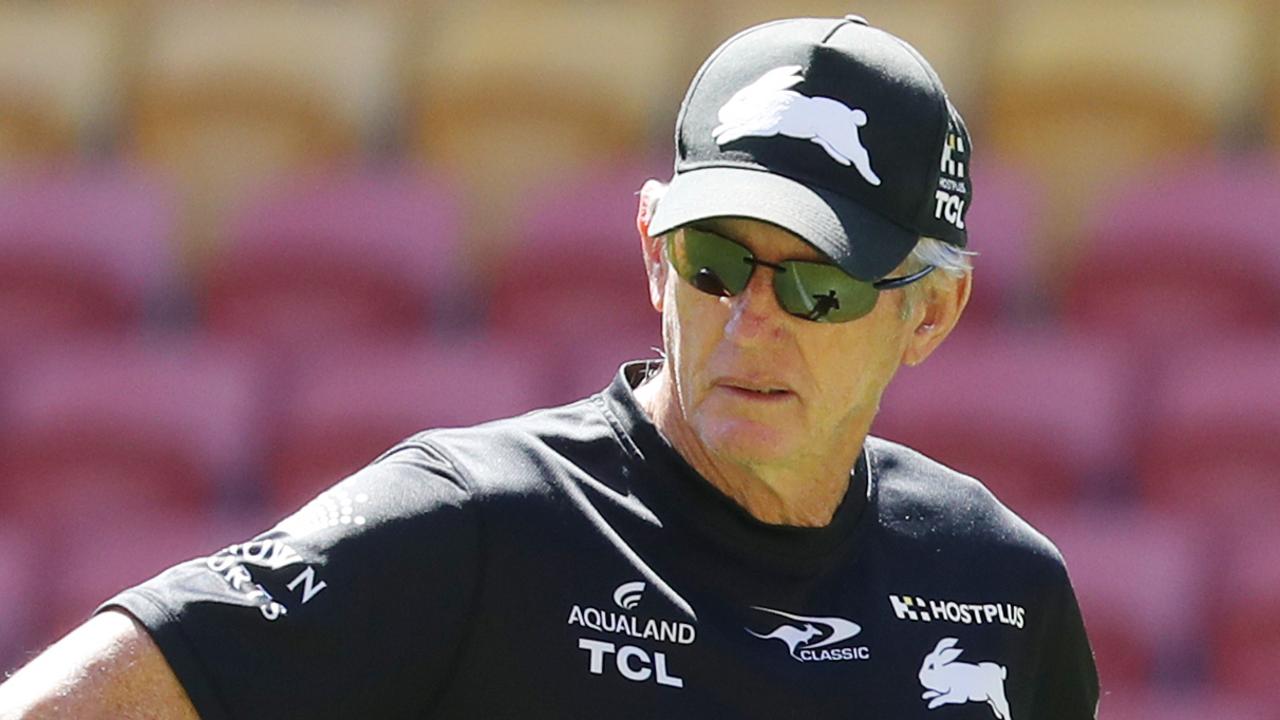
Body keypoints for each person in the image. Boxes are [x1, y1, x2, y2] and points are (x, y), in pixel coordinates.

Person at [0, 15, 1098, 719]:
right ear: (650, 254)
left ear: (931, 313)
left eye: (820, 286)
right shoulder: (468, 525)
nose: (750, 320)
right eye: (714, 262)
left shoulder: (999, 591)